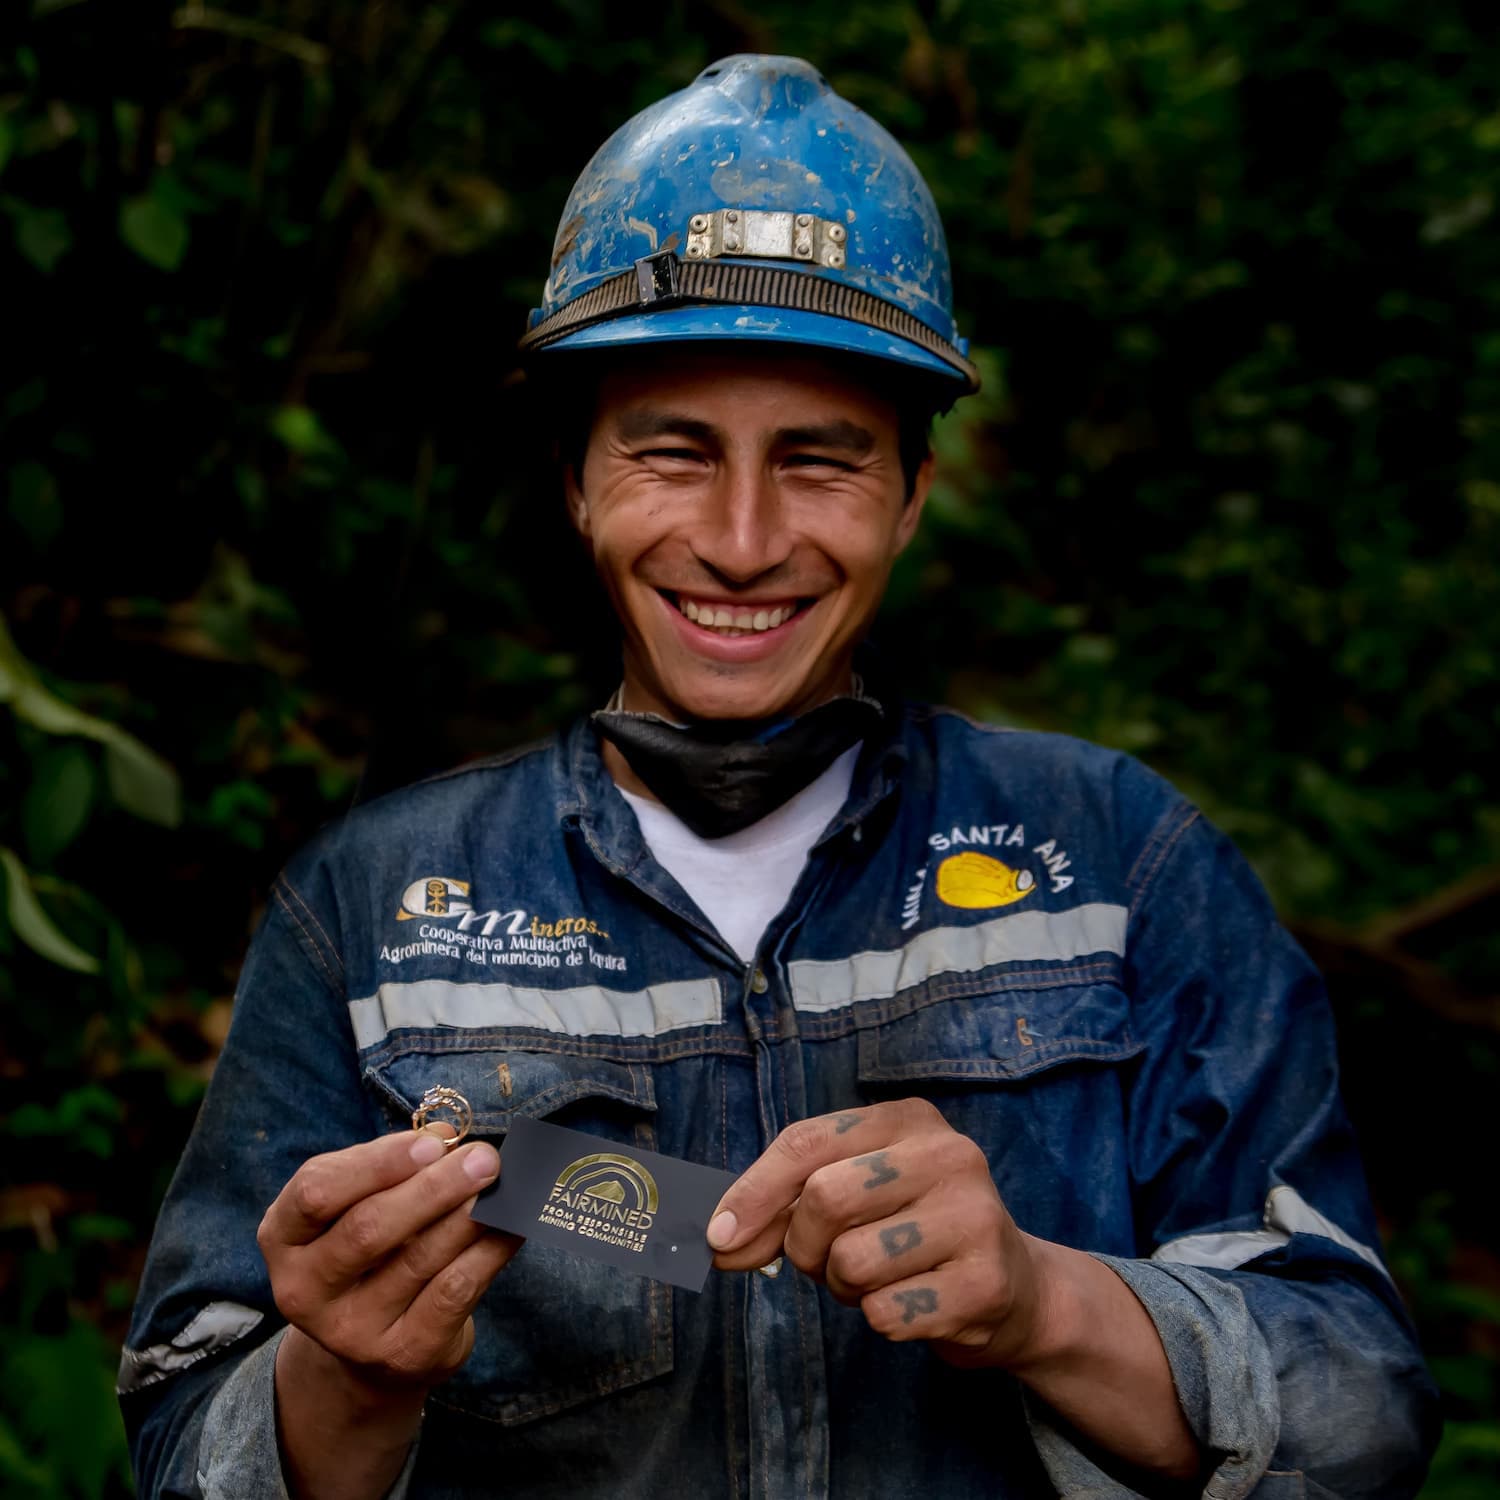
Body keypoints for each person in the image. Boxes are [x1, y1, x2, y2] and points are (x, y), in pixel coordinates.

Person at [121, 54, 1438, 1499]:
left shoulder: (1121, 864)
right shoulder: (370, 908)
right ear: (575, 479)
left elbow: (1361, 1409)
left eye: (820, 462)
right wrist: (347, 1382)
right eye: (674, 453)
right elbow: (179, 1446)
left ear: (914, 494)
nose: (745, 541)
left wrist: (1048, 1304)